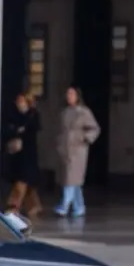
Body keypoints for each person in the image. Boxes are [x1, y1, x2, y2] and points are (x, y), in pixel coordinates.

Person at [54, 87, 100, 217]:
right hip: (65, 148)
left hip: (78, 149)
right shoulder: (64, 112)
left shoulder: (84, 112)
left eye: (72, 94)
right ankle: (79, 207)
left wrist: (84, 138)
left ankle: (64, 205)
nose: (69, 96)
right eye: (68, 93)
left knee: (71, 178)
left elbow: (94, 128)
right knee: (73, 181)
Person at [1, 93, 43, 218]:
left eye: (22, 101)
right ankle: (34, 205)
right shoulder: (13, 115)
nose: (19, 104)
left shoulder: (32, 115)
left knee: (22, 182)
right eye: (18, 101)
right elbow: (8, 128)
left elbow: (34, 128)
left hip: (28, 154)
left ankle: (13, 206)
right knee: (27, 184)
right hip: (16, 155)